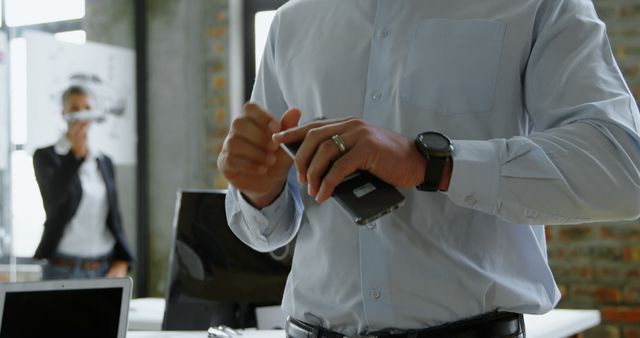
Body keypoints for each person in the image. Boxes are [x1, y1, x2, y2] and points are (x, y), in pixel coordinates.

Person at [218, 1, 640, 337]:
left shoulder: (538, 5)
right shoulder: (293, 21)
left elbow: (623, 169)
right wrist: (261, 193)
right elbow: (266, 230)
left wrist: (430, 164)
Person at [33, 85, 134, 280]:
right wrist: (74, 156)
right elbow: (53, 200)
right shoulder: (46, 156)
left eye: (87, 108)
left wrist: (123, 260)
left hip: (102, 269)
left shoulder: (104, 161)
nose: (82, 114)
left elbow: (115, 217)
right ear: (64, 114)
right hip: (62, 270)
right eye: (75, 108)